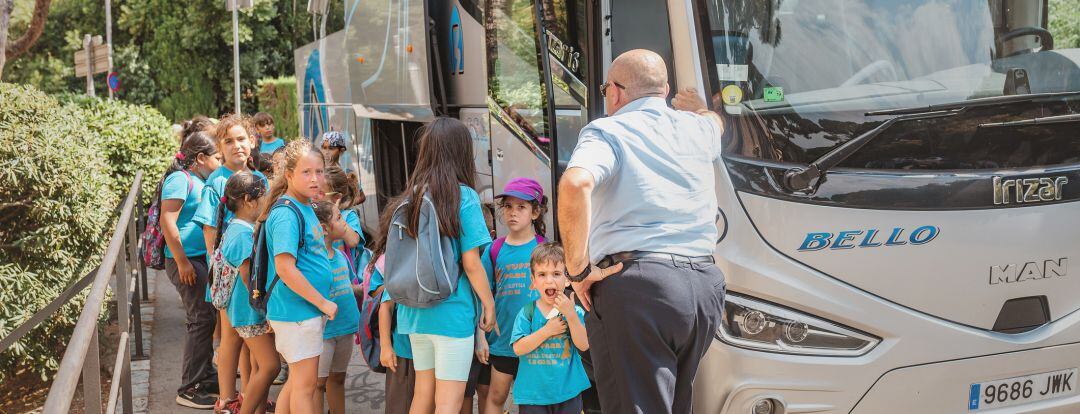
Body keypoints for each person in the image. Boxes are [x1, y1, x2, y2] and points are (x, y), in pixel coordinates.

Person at [558, 49, 726, 414]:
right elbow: (717, 122)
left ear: (615, 92)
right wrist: (698, 108)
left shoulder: (608, 130)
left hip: (638, 290)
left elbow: (574, 184)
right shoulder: (697, 128)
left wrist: (577, 271)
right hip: (702, 289)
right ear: (664, 90)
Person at [385, 117, 497, 414]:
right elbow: (472, 263)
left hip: (414, 311)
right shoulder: (464, 196)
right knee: (448, 403)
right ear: (462, 151)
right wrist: (489, 304)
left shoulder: (412, 194)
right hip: (452, 311)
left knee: (423, 395)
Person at [262, 139, 339, 414]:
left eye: (319, 171)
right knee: (305, 389)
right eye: (306, 172)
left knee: (296, 383)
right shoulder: (287, 213)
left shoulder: (302, 205)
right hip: (298, 313)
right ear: (289, 175)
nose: (315, 178)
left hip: (300, 313)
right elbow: (285, 268)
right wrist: (322, 303)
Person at [158, 131, 222, 409]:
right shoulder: (179, 180)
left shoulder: (198, 179)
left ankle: (205, 376)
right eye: (217, 157)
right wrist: (183, 262)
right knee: (200, 319)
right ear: (201, 158)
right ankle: (189, 387)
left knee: (206, 318)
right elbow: (167, 221)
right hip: (185, 261)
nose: (220, 162)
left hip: (197, 259)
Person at [475, 178, 549, 414]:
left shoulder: (544, 248)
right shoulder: (494, 249)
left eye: (521, 207)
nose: (513, 213)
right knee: (496, 398)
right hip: (503, 341)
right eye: (508, 207)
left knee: (537, 401)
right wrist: (481, 337)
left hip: (539, 341)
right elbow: (483, 296)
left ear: (535, 212)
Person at [212, 172, 279, 414]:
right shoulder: (242, 234)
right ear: (250, 200)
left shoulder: (237, 227)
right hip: (248, 312)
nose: (268, 202)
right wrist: (267, 309)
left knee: (264, 365)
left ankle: (237, 404)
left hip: (241, 310)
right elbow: (247, 276)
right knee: (271, 366)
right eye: (266, 197)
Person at [510, 243, 590, 414]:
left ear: (567, 278)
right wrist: (547, 331)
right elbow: (518, 348)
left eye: (556, 274)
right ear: (533, 281)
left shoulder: (574, 311)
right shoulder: (527, 312)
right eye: (542, 274)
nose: (549, 280)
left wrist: (570, 315)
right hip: (533, 397)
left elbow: (583, 345)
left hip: (567, 392)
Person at [309, 201, 362, 414]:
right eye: (339, 218)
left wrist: (367, 289)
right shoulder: (313, 261)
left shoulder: (340, 256)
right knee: (317, 384)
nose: (345, 223)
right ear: (323, 228)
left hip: (346, 327)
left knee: (338, 378)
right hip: (324, 333)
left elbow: (347, 286)